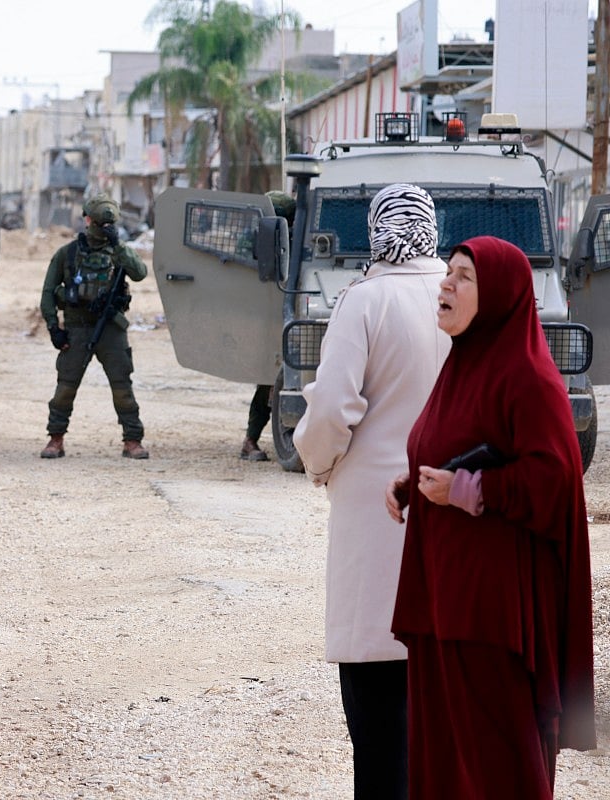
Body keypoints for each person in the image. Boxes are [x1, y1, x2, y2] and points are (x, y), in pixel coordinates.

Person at [386, 236, 596, 798]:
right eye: (448, 272)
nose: (446, 284)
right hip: (442, 599)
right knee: (447, 758)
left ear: (499, 295)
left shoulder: (528, 378)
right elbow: (463, 443)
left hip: (491, 613)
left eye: (463, 277)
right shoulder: (463, 365)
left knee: (497, 765)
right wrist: (415, 484)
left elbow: (554, 478)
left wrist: (467, 490)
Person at [292, 183, 450, 800]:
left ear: (376, 229)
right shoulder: (459, 293)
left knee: (376, 695)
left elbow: (332, 406)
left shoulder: (365, 299)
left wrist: (320, 464)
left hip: (372, 512)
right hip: (450, 501)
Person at [40, 193, 149, 459]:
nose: (102, 229)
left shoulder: (118, 252)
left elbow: (140, 273)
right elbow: (48, 292)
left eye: (106, 225)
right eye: (99, 224)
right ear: (87, 219)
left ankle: (132, 440)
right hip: (77, 328)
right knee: (66, 386)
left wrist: (119, 246)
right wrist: (54, 327)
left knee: (122, 385)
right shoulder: (67, 254)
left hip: (110, 328)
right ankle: (56, 438)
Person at [240, 190, 296, 462]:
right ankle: (250, 440)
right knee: (267, 381)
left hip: (294, 314)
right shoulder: (259, 238)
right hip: (269, 315)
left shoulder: (300, 236)